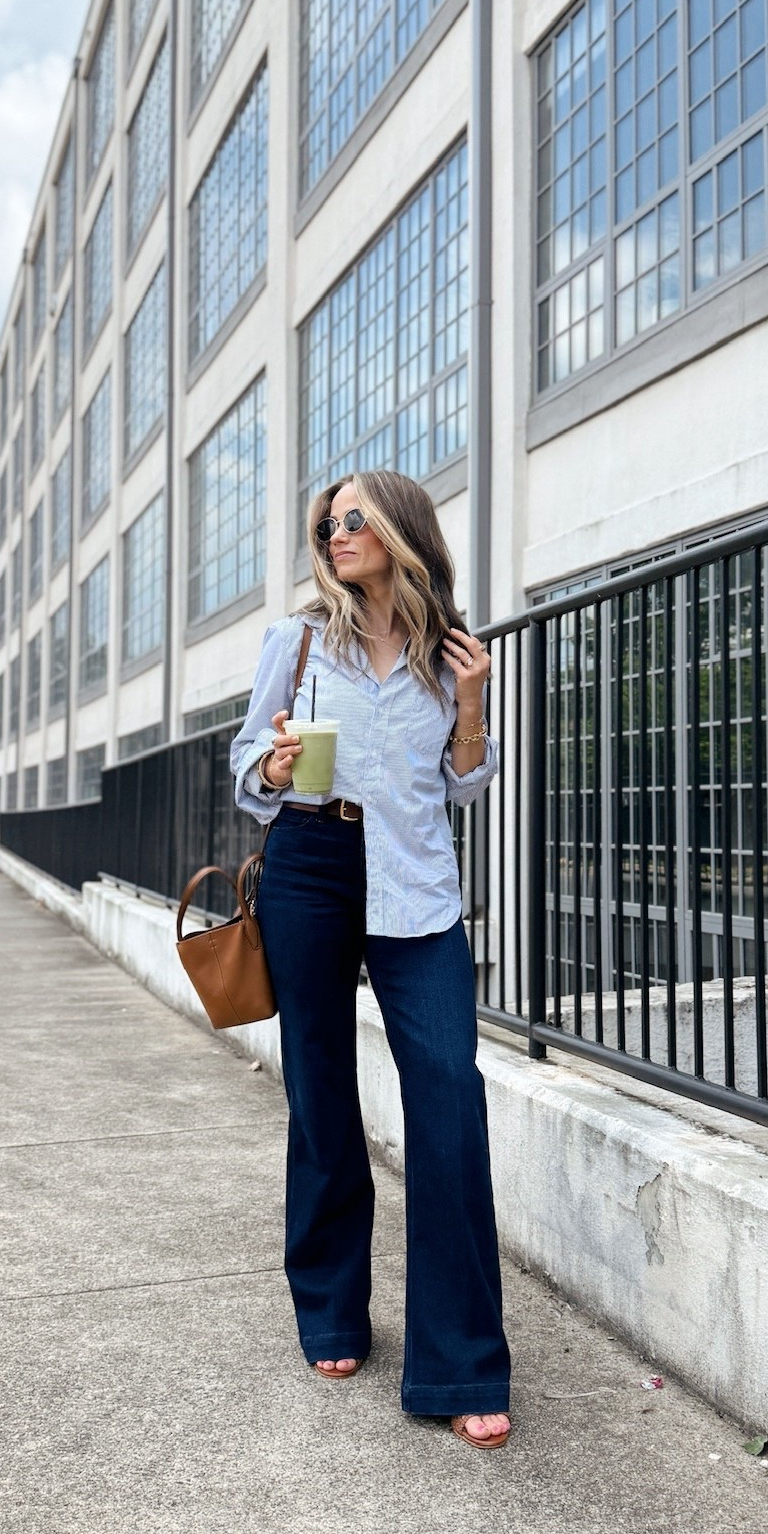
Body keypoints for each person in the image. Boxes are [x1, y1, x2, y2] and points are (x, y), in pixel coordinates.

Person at [229, 469, 511, 1451]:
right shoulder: (297, 639)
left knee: (448, 1096)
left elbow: (464, 783)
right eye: (327, 522)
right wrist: (268, 766)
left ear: (400, 528)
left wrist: (471, 705)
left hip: (417, 875)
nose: (337, 533)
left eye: (355, 518)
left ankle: (463, 1359)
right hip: (311, 861)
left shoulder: (450, 652)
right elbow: (245, 771)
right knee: (320, 1087)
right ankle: (331, 1304)